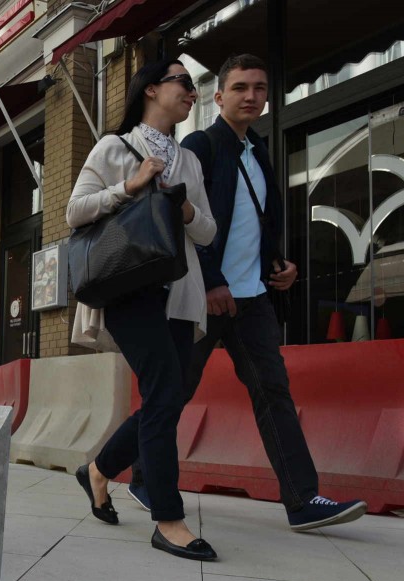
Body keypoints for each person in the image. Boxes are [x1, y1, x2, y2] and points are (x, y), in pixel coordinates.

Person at [126, 55, 367, 531]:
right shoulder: (201, 145)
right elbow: (189, 221)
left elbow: (256, 222)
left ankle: (302, 500)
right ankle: (135, 474)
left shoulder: (257, 150)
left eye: (259, 88)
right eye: (239, 88)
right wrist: (213, 280)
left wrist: (279, 263)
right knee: (171, 394)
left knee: (273, 392)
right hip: (206, 295)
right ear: (218, 97)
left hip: (253, 297)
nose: (251, 96)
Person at [68, 60, 218, 561]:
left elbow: (208, 233)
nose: (191, 92)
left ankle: (98, 470)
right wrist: (129, 187)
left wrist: (187, 210)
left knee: (165, 397)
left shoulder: (190, 162)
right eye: (183, 82)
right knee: (165, 392)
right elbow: (75, 211)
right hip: (129, 288)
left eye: (194, 86)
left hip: (178, 292)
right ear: (152, 88)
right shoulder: (114, 147)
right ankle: (168, 518)